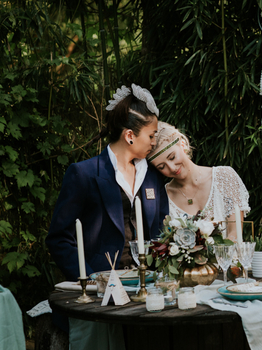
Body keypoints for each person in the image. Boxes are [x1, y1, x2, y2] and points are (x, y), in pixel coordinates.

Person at [46, 84, 169, 282]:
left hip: (149, 284)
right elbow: (59, 239)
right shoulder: (83, 174)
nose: (154, 142)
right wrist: (89, 279)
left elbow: (164, 231)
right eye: (151, 136)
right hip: (101, 287)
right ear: (130, 136)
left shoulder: (152, 176)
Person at [147, 122, 250, 240]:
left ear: (182, 144)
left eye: (172, 157)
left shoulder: (225, 178)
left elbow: (235, 234)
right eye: (161, 167)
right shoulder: (163, 197)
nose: (172, 167)